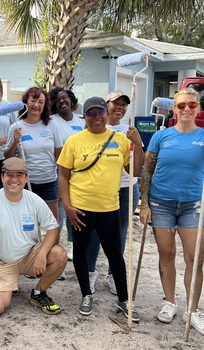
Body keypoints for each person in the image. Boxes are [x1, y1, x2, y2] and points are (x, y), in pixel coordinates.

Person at [139, 87, 204, 337]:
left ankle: (193, 310)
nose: (186, 109)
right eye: (181, 106)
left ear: (199, 109)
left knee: (195, 258)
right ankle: (170, 302)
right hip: (161, 203)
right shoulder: (162, 136)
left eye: (191, 105)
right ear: (174, 110)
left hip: (192, 205)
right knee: (166, 255)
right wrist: (144, 204)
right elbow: (147, 170)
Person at [58, 97, 143, 320]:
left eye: (100, 112)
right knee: (81, 252)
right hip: (81, 208)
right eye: (91, 113)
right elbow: (63, 175)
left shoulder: (121, 140)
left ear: (107, 113)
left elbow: (134, 171)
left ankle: (124, 300)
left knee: (115, 253)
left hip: (109, 207)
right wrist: (67, 206)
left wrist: (139, 144)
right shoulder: (74, 141)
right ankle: (86, 294)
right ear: (84, 117)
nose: (96, 117)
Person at [0, 157, 67, 315]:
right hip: (2, 262)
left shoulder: (34, 200)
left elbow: (53, 229)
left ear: (26, 178)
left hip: (30, 255)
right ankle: (7, 285)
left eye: (19, 175)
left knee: (59, 254)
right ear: (2, 177)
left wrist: (42, 254)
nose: (14, 180)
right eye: (9, 175)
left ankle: (39, 292)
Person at [86, 90, 143, 295]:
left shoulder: (130, 131)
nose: (119, 107)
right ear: (105, 105)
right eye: (115, 103)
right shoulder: (96, 126)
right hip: (101, 190)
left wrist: (137, 142)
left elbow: (139, 165)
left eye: (123, 104)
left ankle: (112, 274)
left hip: (128, 188)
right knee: (93, 234)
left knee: (119, 234)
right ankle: (90, 272)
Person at [4, 87, 63, 222]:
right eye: (33, 100)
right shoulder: (16, 126)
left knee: (52, 222)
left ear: (45, 105)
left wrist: (60, 183)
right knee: (25, 222)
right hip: (24, 182)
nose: (36, 105)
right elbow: (8, 158)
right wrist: (15, 141)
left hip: (48, 182)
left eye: (41, 102)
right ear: (26, 102)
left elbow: (60, 157)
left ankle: (50, 244)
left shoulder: (52, 126)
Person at [50, 87, 83, 263]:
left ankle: (72, 246)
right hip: (61, 172)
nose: (62, 101)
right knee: (60, 214)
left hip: (80, 175)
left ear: (71, 100)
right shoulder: (52, 121)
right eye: (57, 100)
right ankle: (56, 250)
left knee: (75, 212)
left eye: (64, 98)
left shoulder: (81, 120)